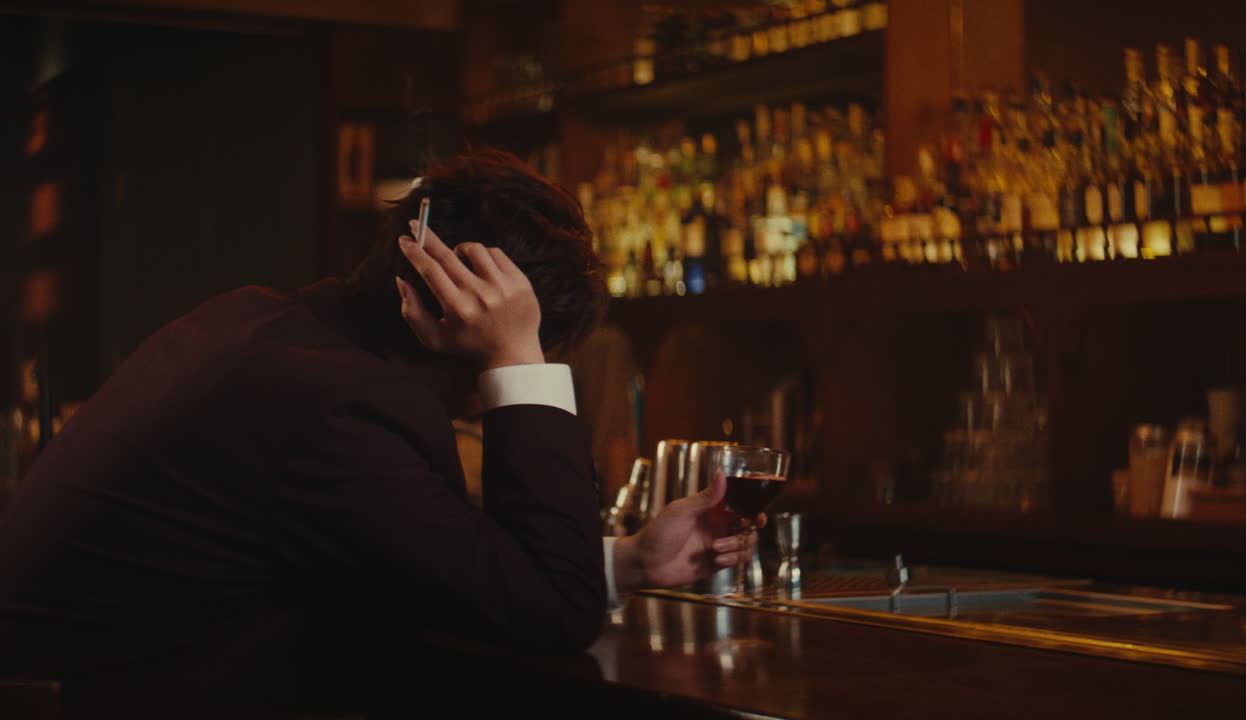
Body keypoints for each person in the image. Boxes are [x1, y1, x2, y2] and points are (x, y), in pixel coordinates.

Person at [0, 149, 761, 717]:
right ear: (451, 307)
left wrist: (625, 562)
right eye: (526, 338)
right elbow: (549, 618)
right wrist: (517, 357)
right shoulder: (334, 404)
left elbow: (442, 565)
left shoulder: (263, 326)